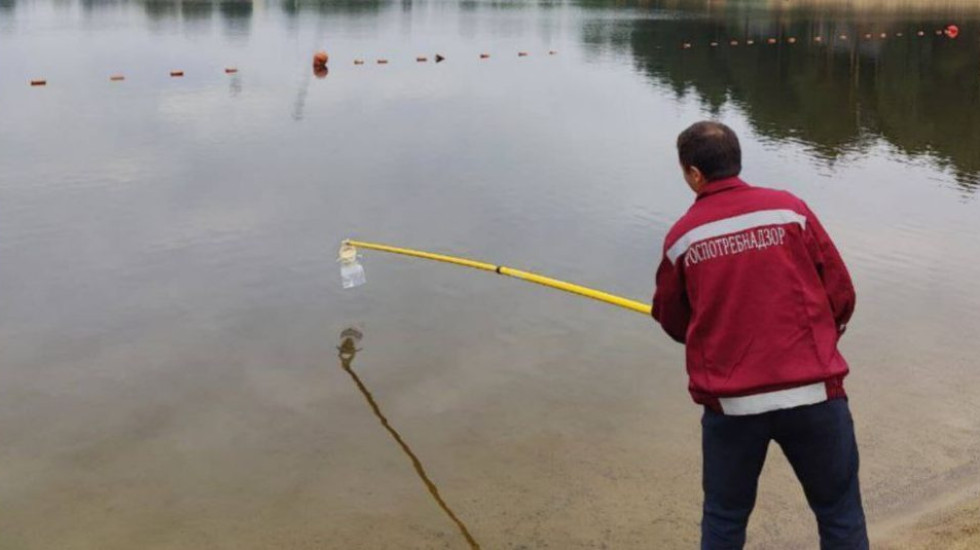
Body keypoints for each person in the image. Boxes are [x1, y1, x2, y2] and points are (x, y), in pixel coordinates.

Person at [652, 121, 868, 549]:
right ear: (736, 161)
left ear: (694, 173)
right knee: (839, 512)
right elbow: (840, 293)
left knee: (725, 518)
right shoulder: (790, 211)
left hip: (732, 407)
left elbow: (673, 319)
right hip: (814, 395)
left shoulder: (683, 238)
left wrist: (708, 335)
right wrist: (821, 340)